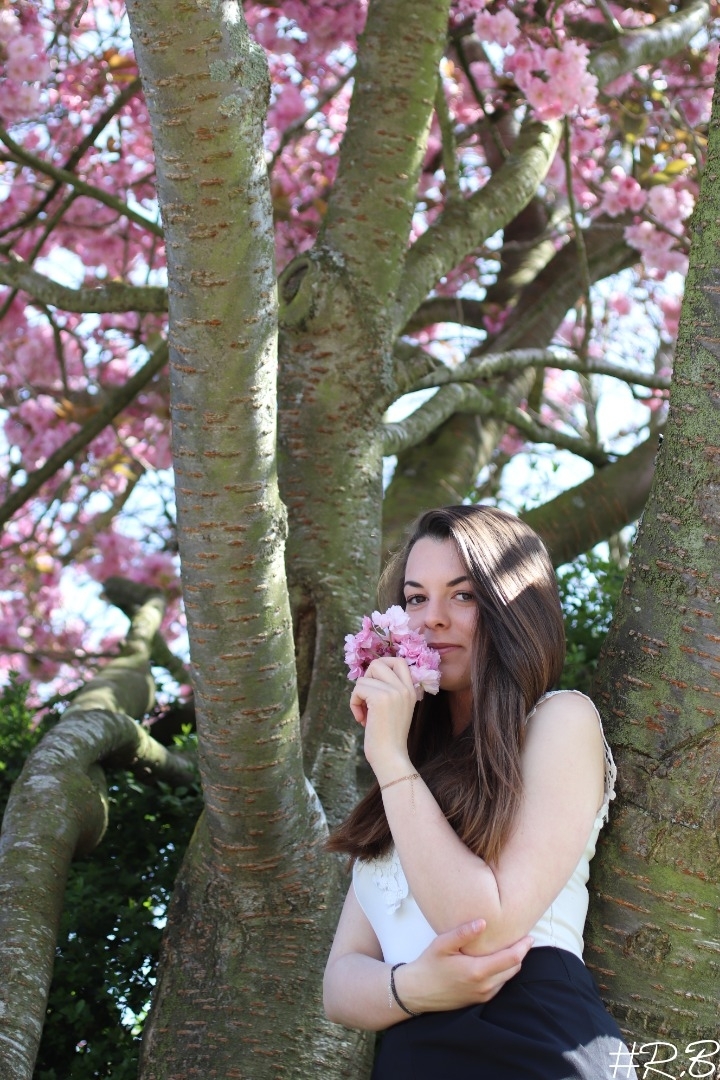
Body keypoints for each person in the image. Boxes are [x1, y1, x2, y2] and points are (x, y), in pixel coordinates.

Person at [323, 505, 635, 1079]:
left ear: (514, 608)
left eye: (462, 595)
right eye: (416, 599)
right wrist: (414, 987)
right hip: (413, 1058)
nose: (432, 619)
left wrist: (389, 760)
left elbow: (482, 928)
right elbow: (340, 982)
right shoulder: (410, 778)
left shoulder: (559, 722)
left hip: (532, 1045)